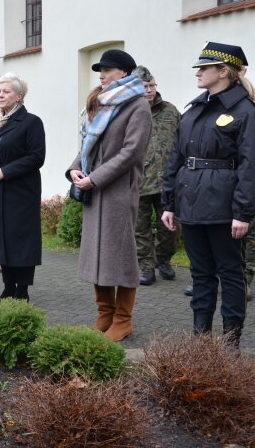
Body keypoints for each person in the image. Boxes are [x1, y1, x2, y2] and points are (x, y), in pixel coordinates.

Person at [161, 42, 255, 348]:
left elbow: (250, 164)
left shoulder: (244, 111)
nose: (198, 73)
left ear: (223, 71)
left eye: (204, 68)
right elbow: (175, 157)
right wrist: (169, 203)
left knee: (229, 273)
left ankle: (230, 343)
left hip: (224, 207)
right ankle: (200, 341)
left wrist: (243, 212)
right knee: (200, 275)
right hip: (191, 203)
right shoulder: (195, 110)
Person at [66, 49, 151, 342]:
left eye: (108, 69)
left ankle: (123, 320)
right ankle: (105, 313)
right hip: (94, 189)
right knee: (97, 254)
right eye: (100, 70)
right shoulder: (102, 103)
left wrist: (95, 178)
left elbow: (131, 153)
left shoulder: (137, 106)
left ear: (125, 73)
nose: (101, 75)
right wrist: (75, 171)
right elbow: (88, 145)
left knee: (122, 256)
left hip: (118, 191)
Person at [0, 73, 45, 301]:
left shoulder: (31, 122)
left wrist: (5, 171)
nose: (0, 94)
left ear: (19, 96)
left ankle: (22, 289)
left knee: (20, 240)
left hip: (20, 191)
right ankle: (7, 287)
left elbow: (36, 157)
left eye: (6, 91)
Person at [132, 66, 181, 286]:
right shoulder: (128, 113)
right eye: (145, 87)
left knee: (170, 229)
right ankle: (146, 267)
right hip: (138, 182)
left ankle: (163, 261)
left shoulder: (170, 111)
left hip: (168, 183)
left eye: (152, 85)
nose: (150, 90)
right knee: (139, 229)